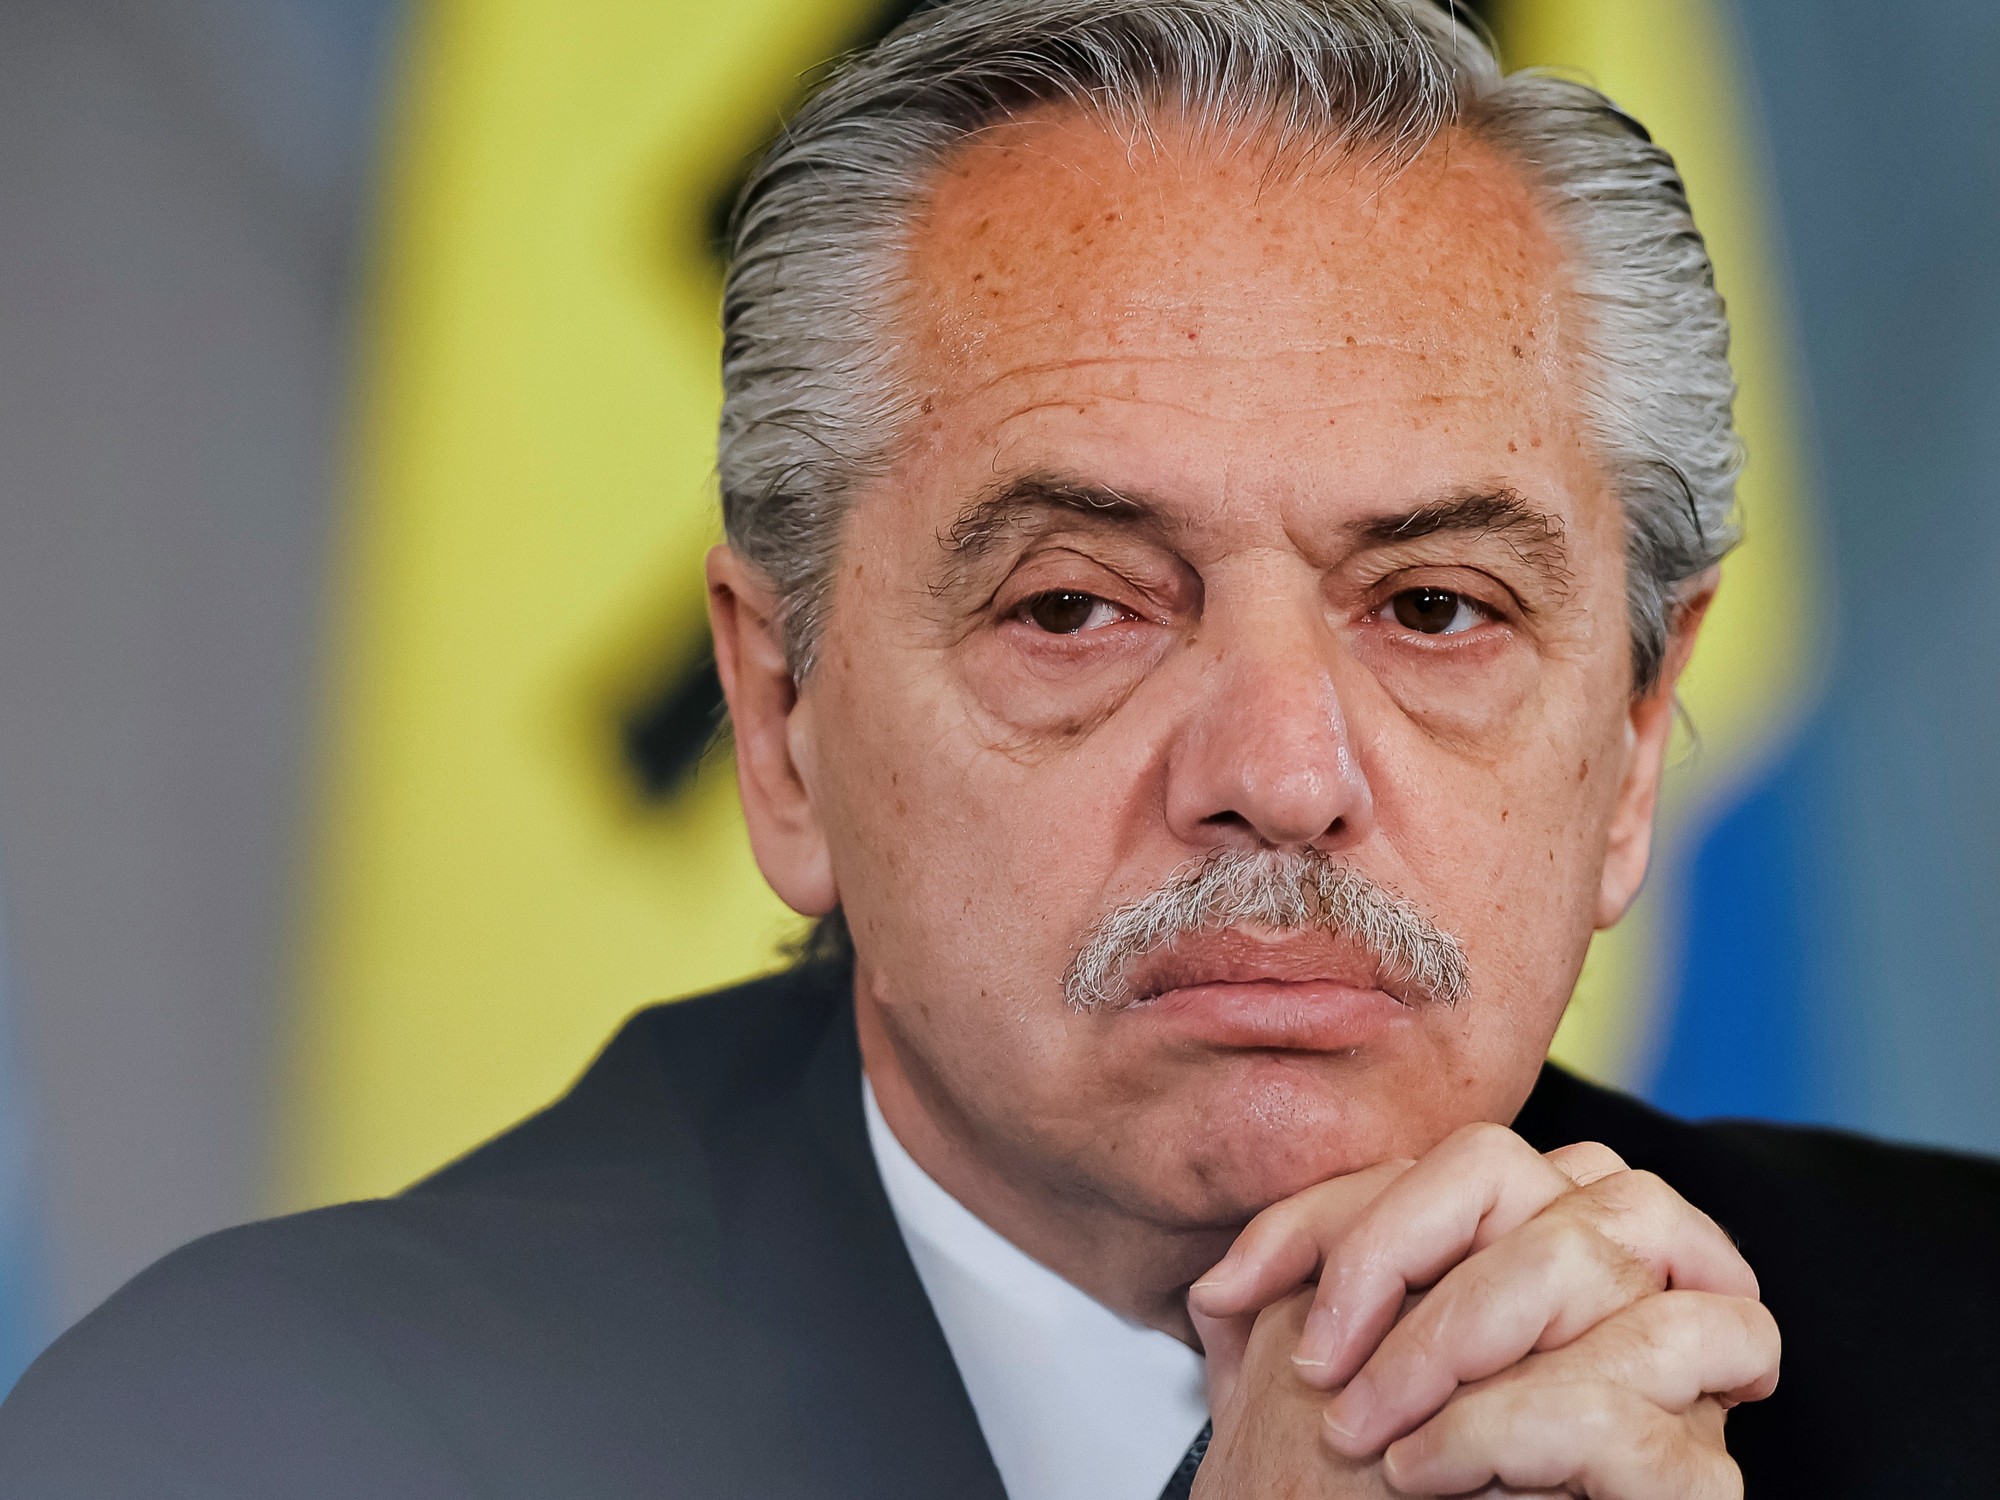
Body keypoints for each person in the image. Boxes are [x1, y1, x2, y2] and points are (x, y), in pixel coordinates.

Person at [5, 2, 1999, 1496]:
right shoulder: (261, 1435)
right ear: (781, 725)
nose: (1281, 770)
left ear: (1635, 741)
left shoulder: (1959, 1354)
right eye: (1074, 609)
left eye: (1432, 610)